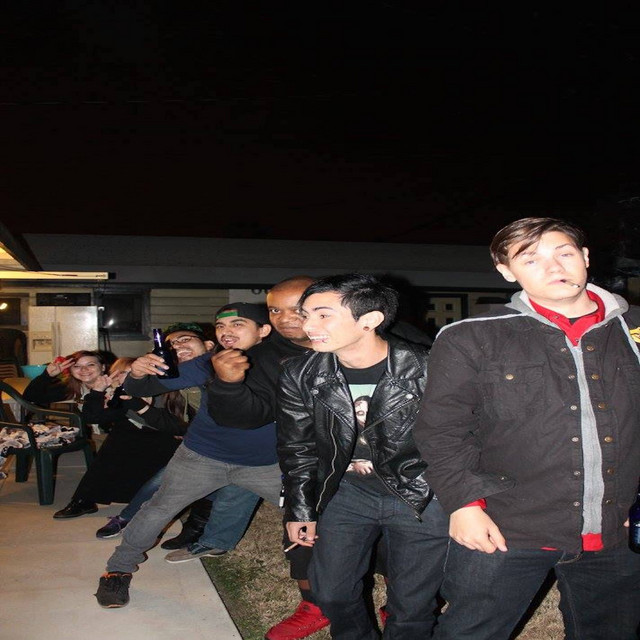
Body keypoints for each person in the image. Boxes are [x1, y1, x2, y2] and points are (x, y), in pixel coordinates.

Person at [413, 217, 640, 640]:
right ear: (506, 271)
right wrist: (463, 504)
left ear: (585, 257)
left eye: (564, 253)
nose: (554, 267)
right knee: (471, 631)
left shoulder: (632, 331)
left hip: (616, 525)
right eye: (531, 259)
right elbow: (441, 429)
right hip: (506, 524)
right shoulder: (471, 336)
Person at [276, 273, 449, 639]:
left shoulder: (432, 368)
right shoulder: (300, 373)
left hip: (421, 492)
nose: (308, 325)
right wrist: (300, 510)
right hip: (346, 492)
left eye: (323, 315)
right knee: (332, 594)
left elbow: (460, 441)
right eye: (306, 315)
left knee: (413, 605)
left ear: (369, 320)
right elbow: (298, 449)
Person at [94, 303, 281, 608]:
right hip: (202, 456)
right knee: (158, 509)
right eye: (220, 326)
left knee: (313, 510)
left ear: (264, 330)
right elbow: (147, 385)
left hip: (263, 463)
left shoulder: (286, 362)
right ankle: (118, 570)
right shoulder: (209, 362)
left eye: (238, 324)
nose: (226, 332)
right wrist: (137, 375)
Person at [207, 276, 332, 640]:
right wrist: (228, 385)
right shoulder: (265, 357)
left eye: (297, 308)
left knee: (396, 537)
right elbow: (246, 417)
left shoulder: (369, 338)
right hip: (308, 459)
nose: (285, 318)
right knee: (302, 533)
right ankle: (315, 605)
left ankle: (402, 603)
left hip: (380, 460)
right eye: (275, 310)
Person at [93, 323, 260, 550]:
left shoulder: (230, 370)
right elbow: (171, 424)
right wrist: (131, 399)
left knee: (211, 483)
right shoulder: (174, 382)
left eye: (185, 339)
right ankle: (129, 518)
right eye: (171, 344)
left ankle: (193, 527)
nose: (178, 345)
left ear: (209, 345)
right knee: (165, 477)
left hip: (243, 445)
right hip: (205, 446)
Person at [24, 351, 184, 519]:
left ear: (103, 368)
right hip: (130, 429)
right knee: (117, 441)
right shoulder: (76, 387)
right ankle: (85, 499)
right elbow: (32, 396)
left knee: (120, 442)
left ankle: (89, 499)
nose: (84, 370)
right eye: (77, 366)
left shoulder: (132, 386)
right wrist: (48, 375)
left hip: (165, 432)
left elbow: (170, 419)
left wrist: (101, 391)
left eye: (90, 365)